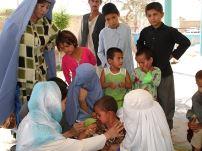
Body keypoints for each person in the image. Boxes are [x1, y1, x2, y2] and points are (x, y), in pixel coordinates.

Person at [16, 81, 123, 151]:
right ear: (54, 103)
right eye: (65, 103)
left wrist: (71, 133)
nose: (66, 107)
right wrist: (107, 135)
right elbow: (80, 147)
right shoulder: (42, 133)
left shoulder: (31, 120)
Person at [0, 0, 58, 125]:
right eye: (41, 6)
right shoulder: (18, 23)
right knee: (22, 110)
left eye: (47, 7)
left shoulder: (47, 26)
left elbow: (50, 48)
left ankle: (36, 136)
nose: (44, 10)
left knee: (39, 109)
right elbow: (5, 46)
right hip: (21, 77)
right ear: (32, 4)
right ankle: (22, 138)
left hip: (39, 77)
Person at [136, 2, 191, 129]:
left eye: (155, 14)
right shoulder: (145, 31)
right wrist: (144, 60)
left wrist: (173, 55)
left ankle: (167, 131)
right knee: (150, 102)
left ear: (162, 14)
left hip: (165, 74)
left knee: (166, 104)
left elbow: (186, 42)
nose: (152, 18)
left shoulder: (170, 31)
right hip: (148, 75)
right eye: (149, 15)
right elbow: (139, 44)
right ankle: (152, 129)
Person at [97, 3, 136, 76]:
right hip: (111, 69)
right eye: (108, 19)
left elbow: (128, 49)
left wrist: (131, 67)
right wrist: (107, 63)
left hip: (126, 66)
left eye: (114, 17)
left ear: (118, 14)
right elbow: (100, 52)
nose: (112, 21)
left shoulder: (126, 29)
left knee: (128, 85)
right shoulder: (103, 33)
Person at [78, 0, 105, 75]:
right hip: (85, 53)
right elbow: (80, 35)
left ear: (100, 3)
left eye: (97, 1)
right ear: (89, 2)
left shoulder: (104, 18)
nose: (94, 4)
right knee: (87, 76)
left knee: (99, 76)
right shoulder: (84, 18)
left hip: (98, 54)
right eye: (92, 1)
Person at [186, 70, 202, 151]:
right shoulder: (196, 97)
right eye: (198, 86)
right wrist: (192, 121)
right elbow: (193, 111)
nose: (200, 90)